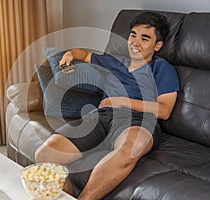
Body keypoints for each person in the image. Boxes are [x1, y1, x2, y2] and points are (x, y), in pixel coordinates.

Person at [35, 11, 180, 200]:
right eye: (133, 35)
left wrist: (120, 101)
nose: (135, 42)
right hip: (100, 116)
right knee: (45, 155)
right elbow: (85, 54)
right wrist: (70, 54)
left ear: (158, 45)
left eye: (145, 38)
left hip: (138, 121)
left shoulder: (162, 68)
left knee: (131, 148)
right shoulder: (115, 61)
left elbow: (164, 110)